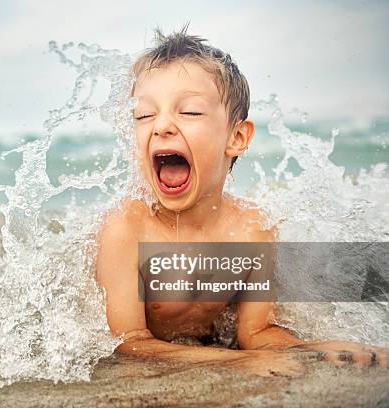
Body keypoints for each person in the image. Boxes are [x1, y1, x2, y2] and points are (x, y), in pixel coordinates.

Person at [95, 25, 388, 377]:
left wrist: (316, 350)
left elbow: (256, 332)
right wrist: (240, 362)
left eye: (188, 112)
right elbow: (129, 344)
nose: (161, 127)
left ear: (236, 137)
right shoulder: (126, 229)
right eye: (144, 115)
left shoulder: (252, 230)